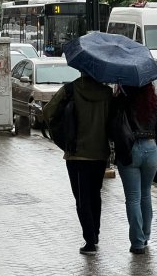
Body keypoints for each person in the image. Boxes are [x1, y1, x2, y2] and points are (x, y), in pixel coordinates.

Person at [42, 74, 113, 255]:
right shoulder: (107, 93)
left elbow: (48, 111)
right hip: (100, 155)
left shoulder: (70, 89)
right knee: (95, 195)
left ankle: (89, 242)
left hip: (77, 155)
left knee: (82, 199)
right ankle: (95, 234)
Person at [112, 84, 157, 254]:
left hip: (131, 149)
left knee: (133, 197)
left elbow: (114, 127)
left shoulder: (123, 100)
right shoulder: (154, 101)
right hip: (151, 149)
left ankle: (137, 243)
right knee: (146, 194)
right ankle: (145, 236)